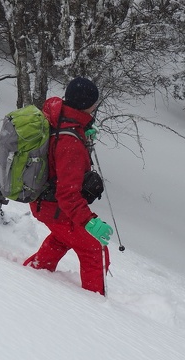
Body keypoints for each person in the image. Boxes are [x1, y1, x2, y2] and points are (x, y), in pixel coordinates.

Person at [23, 77, 113, 296]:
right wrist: (90, 223)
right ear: (87, 104)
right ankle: (95, 305)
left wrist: (82, 133)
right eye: (94, 103)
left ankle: (33, 272)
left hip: (44, 201)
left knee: (62, 238)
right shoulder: (69, 141)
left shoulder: (60, 116)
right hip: (55, 206)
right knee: (95, 248)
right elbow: (67, 194)